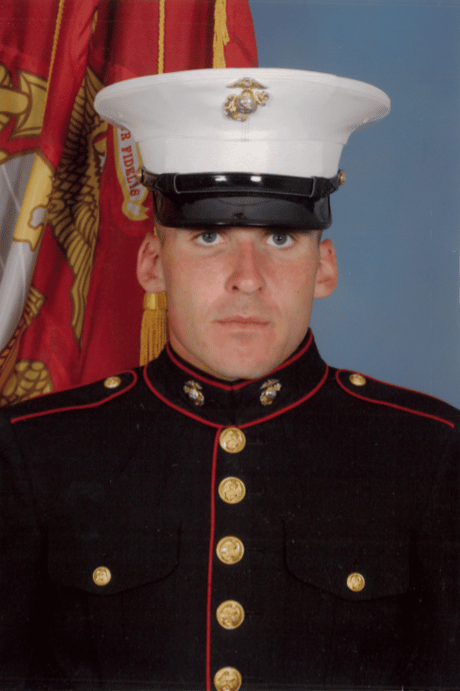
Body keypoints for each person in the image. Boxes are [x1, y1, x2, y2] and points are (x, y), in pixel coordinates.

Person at [1, 68, 459, 691]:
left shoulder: (429, 454)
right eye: (208, 235)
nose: (248, 277)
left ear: (324, 267)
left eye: (280, 237)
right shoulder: (32, 452)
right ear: (152, 263)